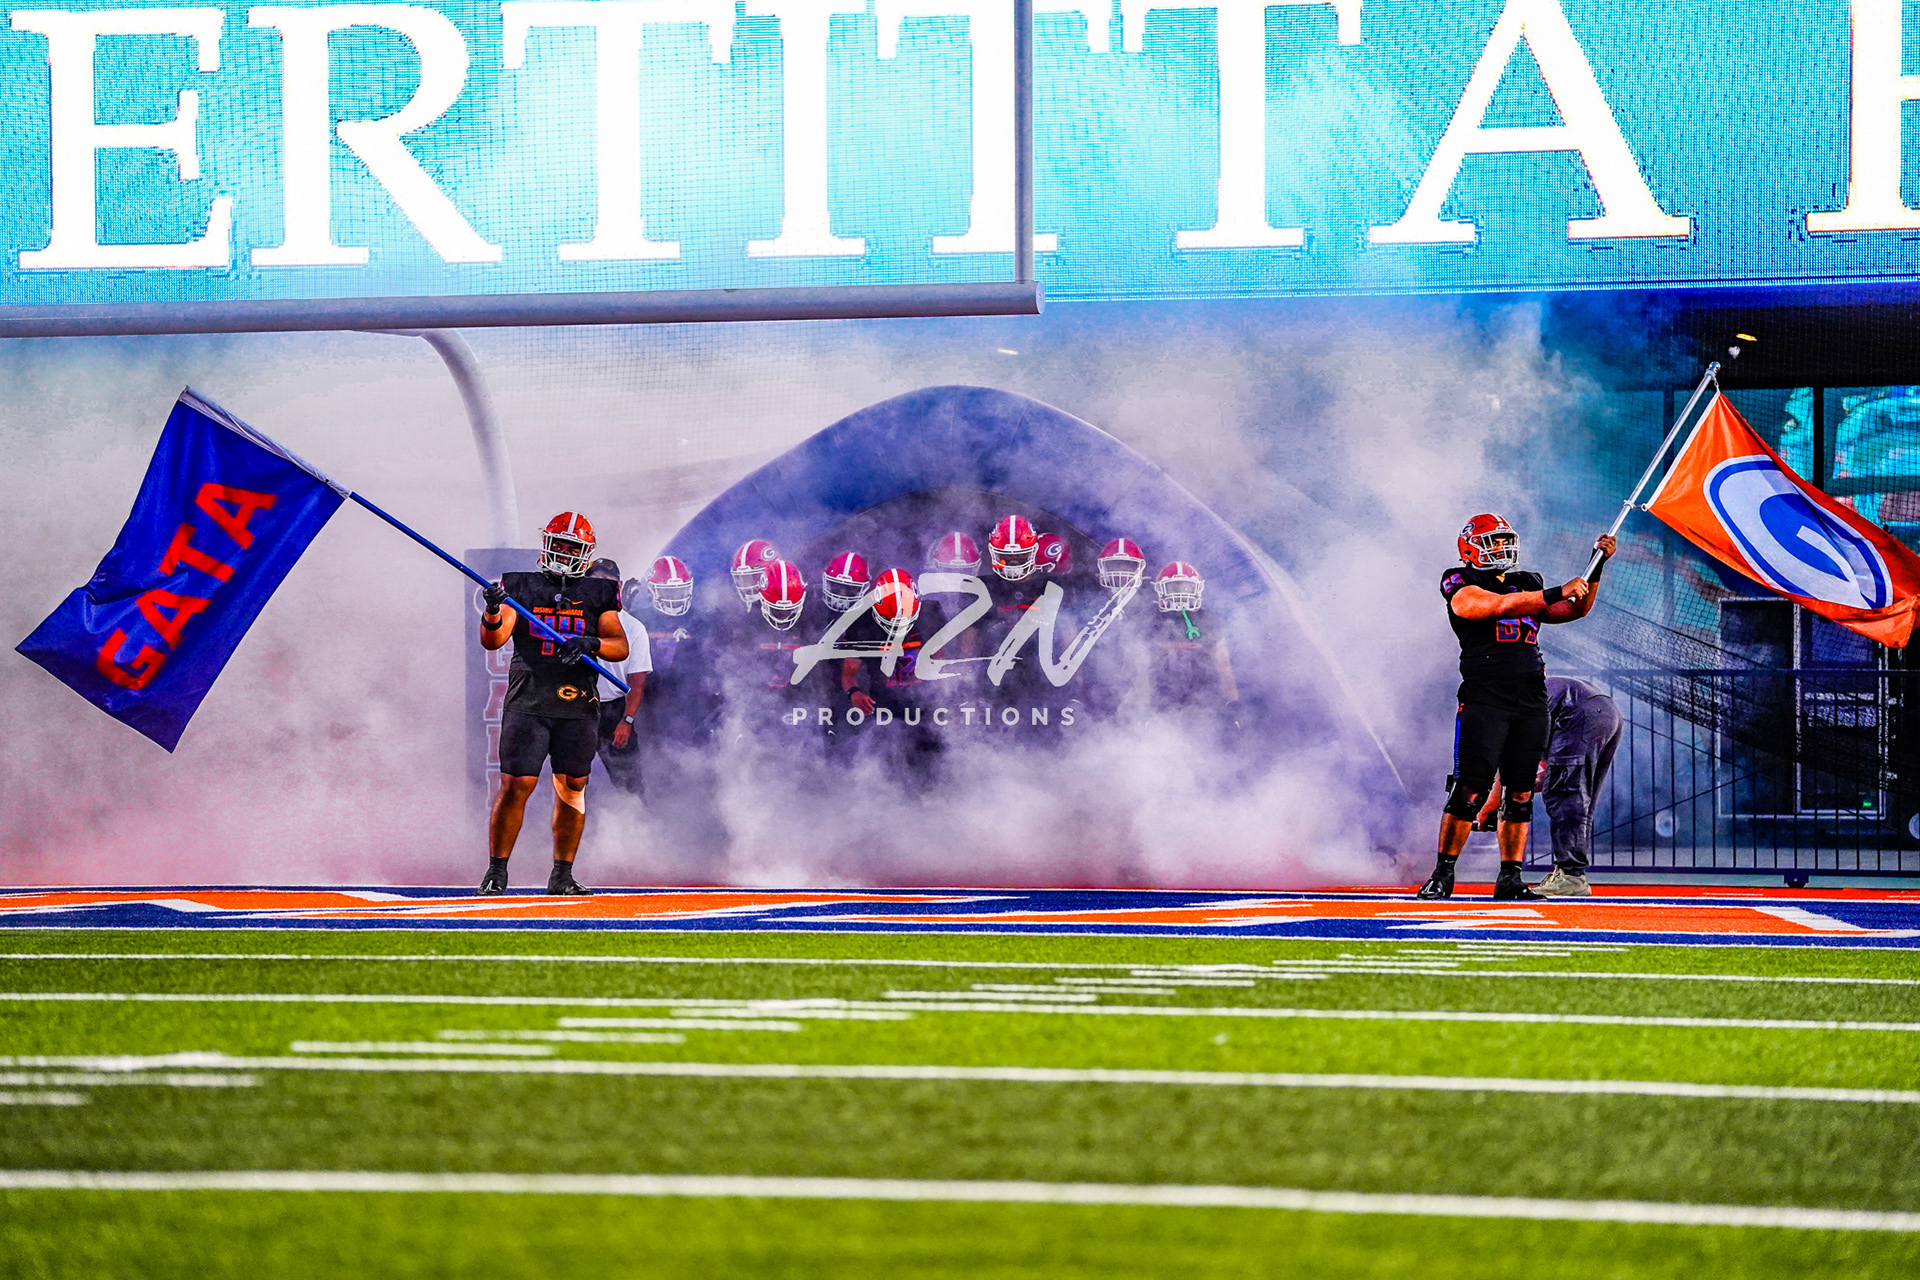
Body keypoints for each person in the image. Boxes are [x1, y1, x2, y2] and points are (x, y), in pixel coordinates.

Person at [1416, 515, 1614, 901]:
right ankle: (1443, 873)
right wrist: (1556, 591)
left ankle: (1510, 877)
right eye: (1492, 541)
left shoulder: (1525, 581)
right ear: (1471, 547)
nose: (1502, 548)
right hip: (1485, 696)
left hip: (1531, 698)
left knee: (1521, 792)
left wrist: (1596, 566)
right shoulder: (1459, 580)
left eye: (1504, 540)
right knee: (1470, 788)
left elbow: (1573, 610)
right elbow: (1492, 606)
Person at [476, 512, 630, 897]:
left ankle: (562, 874)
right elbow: (493, 640)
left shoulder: (599, 592)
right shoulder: (519, 585)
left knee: (572, 787)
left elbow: (619, 646)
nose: (563, 552)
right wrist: (492, 610)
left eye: (571, 547)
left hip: (578, 701)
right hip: (529, 696)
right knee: (517, 784)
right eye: (558, 544)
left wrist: (591, 643)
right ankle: (497, 870)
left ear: (585, 552)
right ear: (546, 543)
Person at [1474, 675, 1623, 897]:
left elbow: (1507, 767)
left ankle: (1571, 876)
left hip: (1576, 712)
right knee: (1580, 797)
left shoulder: (1500, 709)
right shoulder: (1521, 696)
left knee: (1564, 795)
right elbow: (1544, 769)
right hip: (1605, 711)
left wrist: (1487, 806)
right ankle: (1570, 871)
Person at [586, 558, 652, 798]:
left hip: (612, 711)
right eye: (595, 580)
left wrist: (626, 720)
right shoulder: (573, 619)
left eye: (608, 581)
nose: (601, 586)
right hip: (576, 706)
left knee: (630, 784)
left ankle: (635, 819)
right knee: (570, 779)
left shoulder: (633, 627)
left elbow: (637, 683)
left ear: (619, 585)